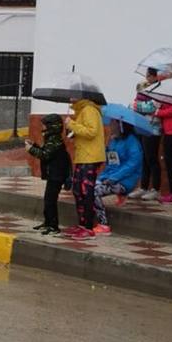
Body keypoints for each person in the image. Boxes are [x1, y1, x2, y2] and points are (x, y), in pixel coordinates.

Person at [63, 95, 106, 238]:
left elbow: (91, 132)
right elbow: (83, 131)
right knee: (77, 190)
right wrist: (72, 131)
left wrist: (72, 124)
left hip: (90, 156)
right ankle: (81, 224)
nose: (70, 99)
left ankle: (88, 226)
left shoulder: (89, 110)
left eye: (72, 96)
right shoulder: (81, 111)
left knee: (86, 191)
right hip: (82, 156)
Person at [92, 119, 143, 235]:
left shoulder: (132, 142)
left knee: (94, 192)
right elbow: (112, 163)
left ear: (121, 126)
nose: (110, 126)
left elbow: (132, 164)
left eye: (113, 124)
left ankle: (103, 224)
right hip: (111, 176)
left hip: (126, 180)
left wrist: (113, 178)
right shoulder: (113, 140)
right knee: (87, 186)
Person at [26, 112, 71, 235]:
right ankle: (47, 222)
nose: (43, 128)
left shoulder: (55, 140)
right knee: (47, 199)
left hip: (57, 175)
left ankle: (54, 226)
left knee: (50, 200)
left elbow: (45, 155)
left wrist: (31, 150)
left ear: (52, 126)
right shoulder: (51, 139)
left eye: (45, 125)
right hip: (53, 174)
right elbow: (45, 151)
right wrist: (34, 146)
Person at [128, 68, 161, 201]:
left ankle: (155, 189)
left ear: (154, 77)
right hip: (141, 127)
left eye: (149, 76)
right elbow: (133, 105)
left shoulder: (159, 91)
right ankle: (143, 187)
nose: (147, 78)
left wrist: (138, 106)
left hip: (153, 129)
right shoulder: (143, 88)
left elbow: (152, 107)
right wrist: (138, 105)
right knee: (144, 159)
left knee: (152, 158)